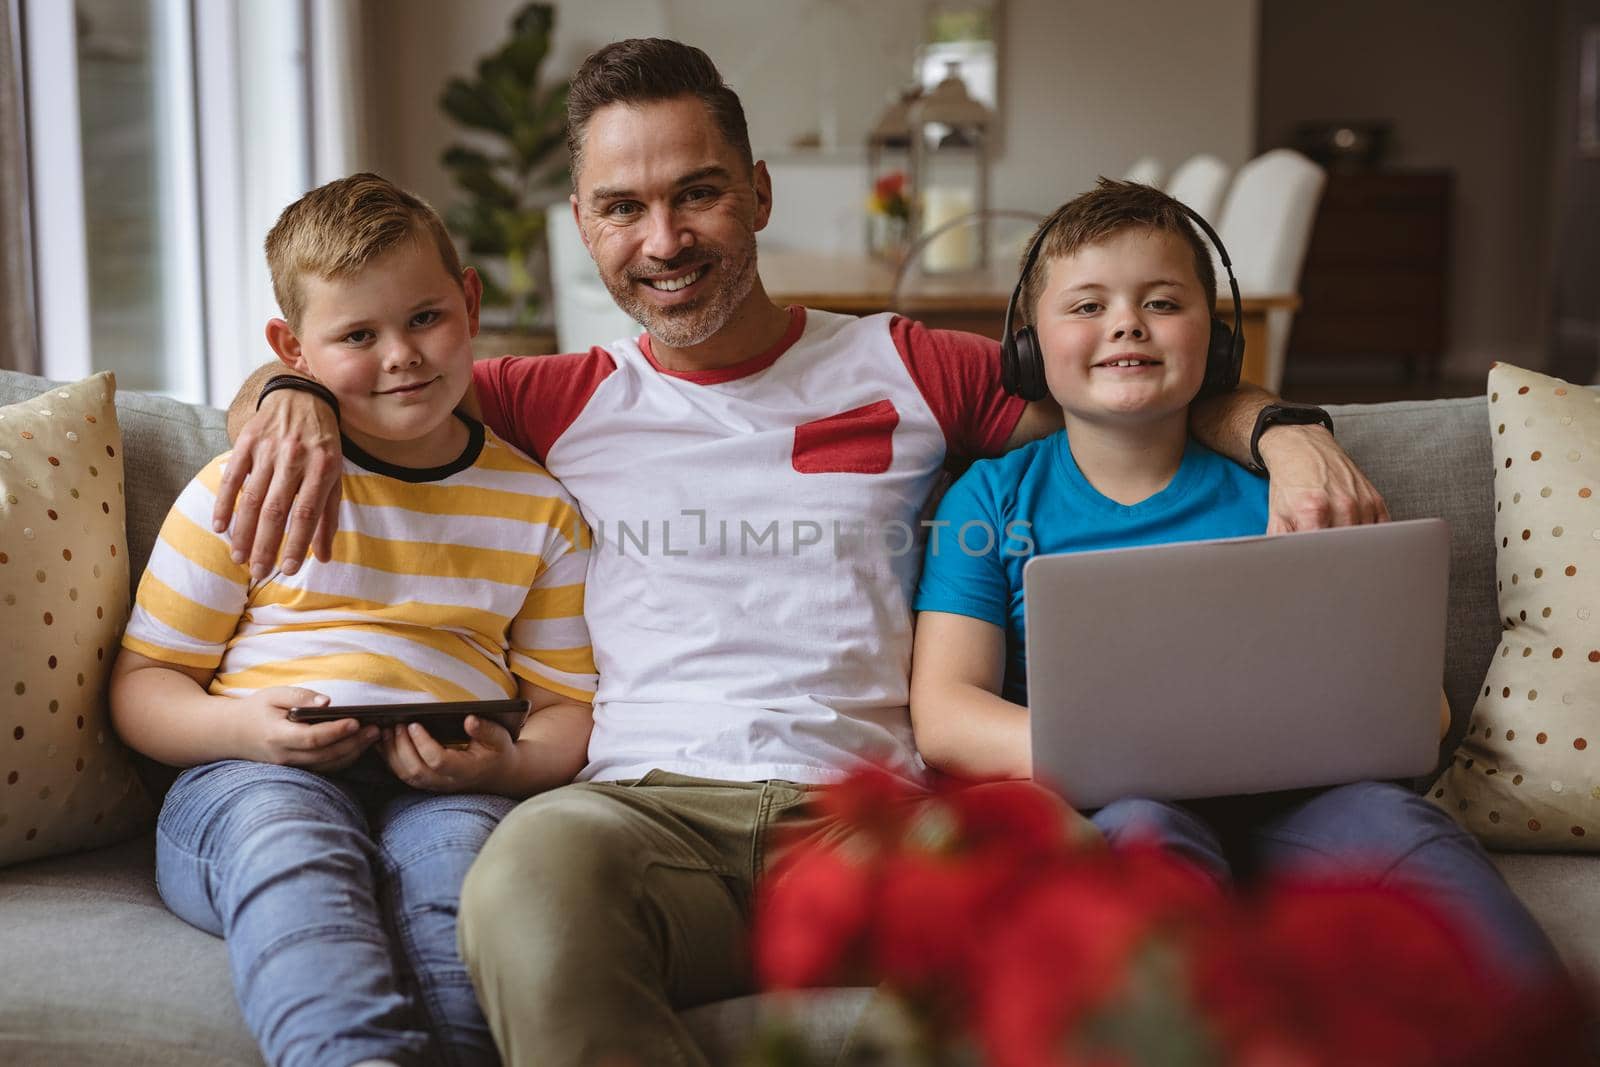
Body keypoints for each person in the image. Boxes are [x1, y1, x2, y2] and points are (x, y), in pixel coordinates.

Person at [215, 40, 1389, 1067]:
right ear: (583, 225)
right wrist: (288, 396)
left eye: (699, 194)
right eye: (621, 207)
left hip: (881, 818)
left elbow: (1138, 391)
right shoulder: (546, 397)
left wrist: (1284, 432)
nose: (663, 239)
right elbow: (342, 379)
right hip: (640, 816)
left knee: (1100, 892)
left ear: (759, 194)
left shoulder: (915, 366)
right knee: (521, 876)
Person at [909, 178, 1557, 978]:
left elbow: (1418, 711)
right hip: (1116, 805)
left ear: (1217, 344)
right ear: (1029, 346)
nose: (1125, 323)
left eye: (1162, 302)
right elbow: (944, 710)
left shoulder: (1293, 499)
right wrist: (1122, 752)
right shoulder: (993, 496)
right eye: (1086, 306)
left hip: (1313, 800)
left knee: (1406, 834)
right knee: (1146, 837)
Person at [109, 173, 598, 1067]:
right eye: (357, 336)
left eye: (424, 318)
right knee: (296, 861)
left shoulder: (539, 508)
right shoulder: (247, 486)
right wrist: (243, 730)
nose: (401, 356)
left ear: (471, 301)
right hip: (248, 779)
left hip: (448, 786)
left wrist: (512, 761)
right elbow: (144, 687)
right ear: (293, 348)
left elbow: (566, 705)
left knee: (465, 891)